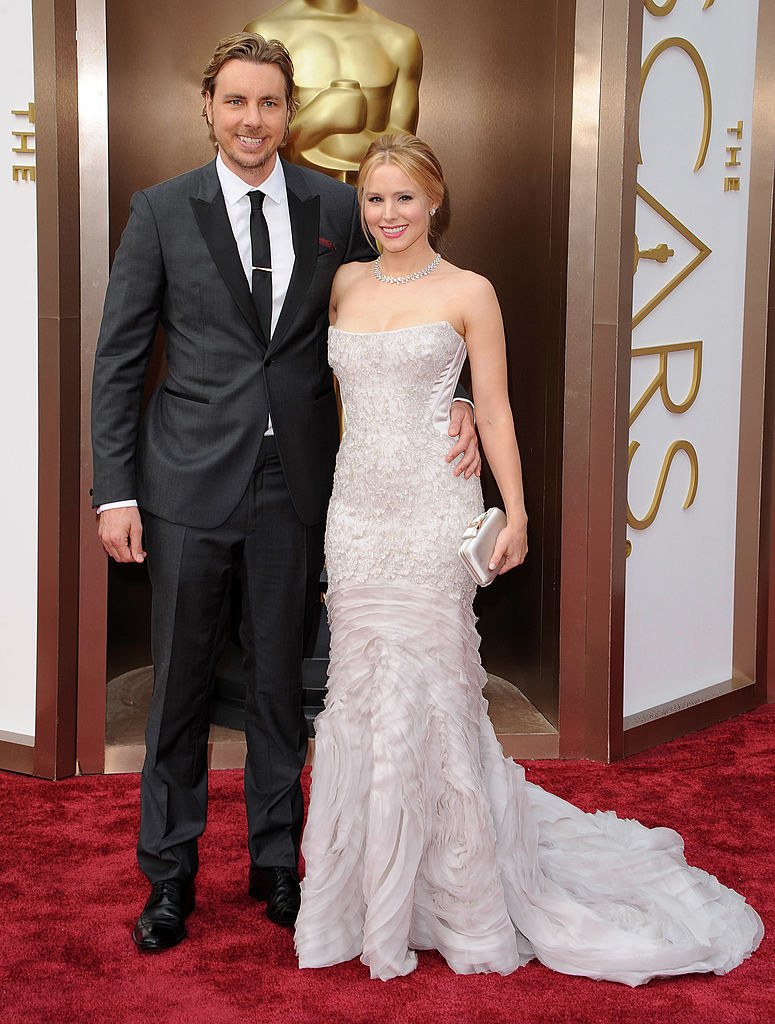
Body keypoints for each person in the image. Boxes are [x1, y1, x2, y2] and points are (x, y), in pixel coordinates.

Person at [294, 133, 764, 983]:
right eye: (374, 199)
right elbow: (341, 405)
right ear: (359, 209)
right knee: (360, 698)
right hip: (356, 514)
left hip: (437, 514)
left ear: (436, 200)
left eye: (405, 197)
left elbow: (499, 410)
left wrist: (514, 510)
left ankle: (461, 898)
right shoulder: (342, 285)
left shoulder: (470, 291)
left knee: (433, 699)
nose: (389, 214)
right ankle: (364, 896)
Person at [90, 36, 477, 953]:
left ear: (288, 112)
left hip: (296, 481)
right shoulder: (159, 212)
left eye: (268, 103)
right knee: (180, 690)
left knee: (277, 686)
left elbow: (399, 298)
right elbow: (117, 359)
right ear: (209, 108)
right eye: (235, 103)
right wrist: (115, 491)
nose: (252, 120)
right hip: (184, 482)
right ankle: (170, 877)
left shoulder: (335, 205)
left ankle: (276, 863)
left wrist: (451, 391)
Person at [245, 0, 422, 181]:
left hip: (372, 199)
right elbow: (253, 136)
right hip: (291, 197)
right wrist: (321, 117)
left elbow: (402, 147)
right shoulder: (265, 34)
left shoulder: (401, 41)